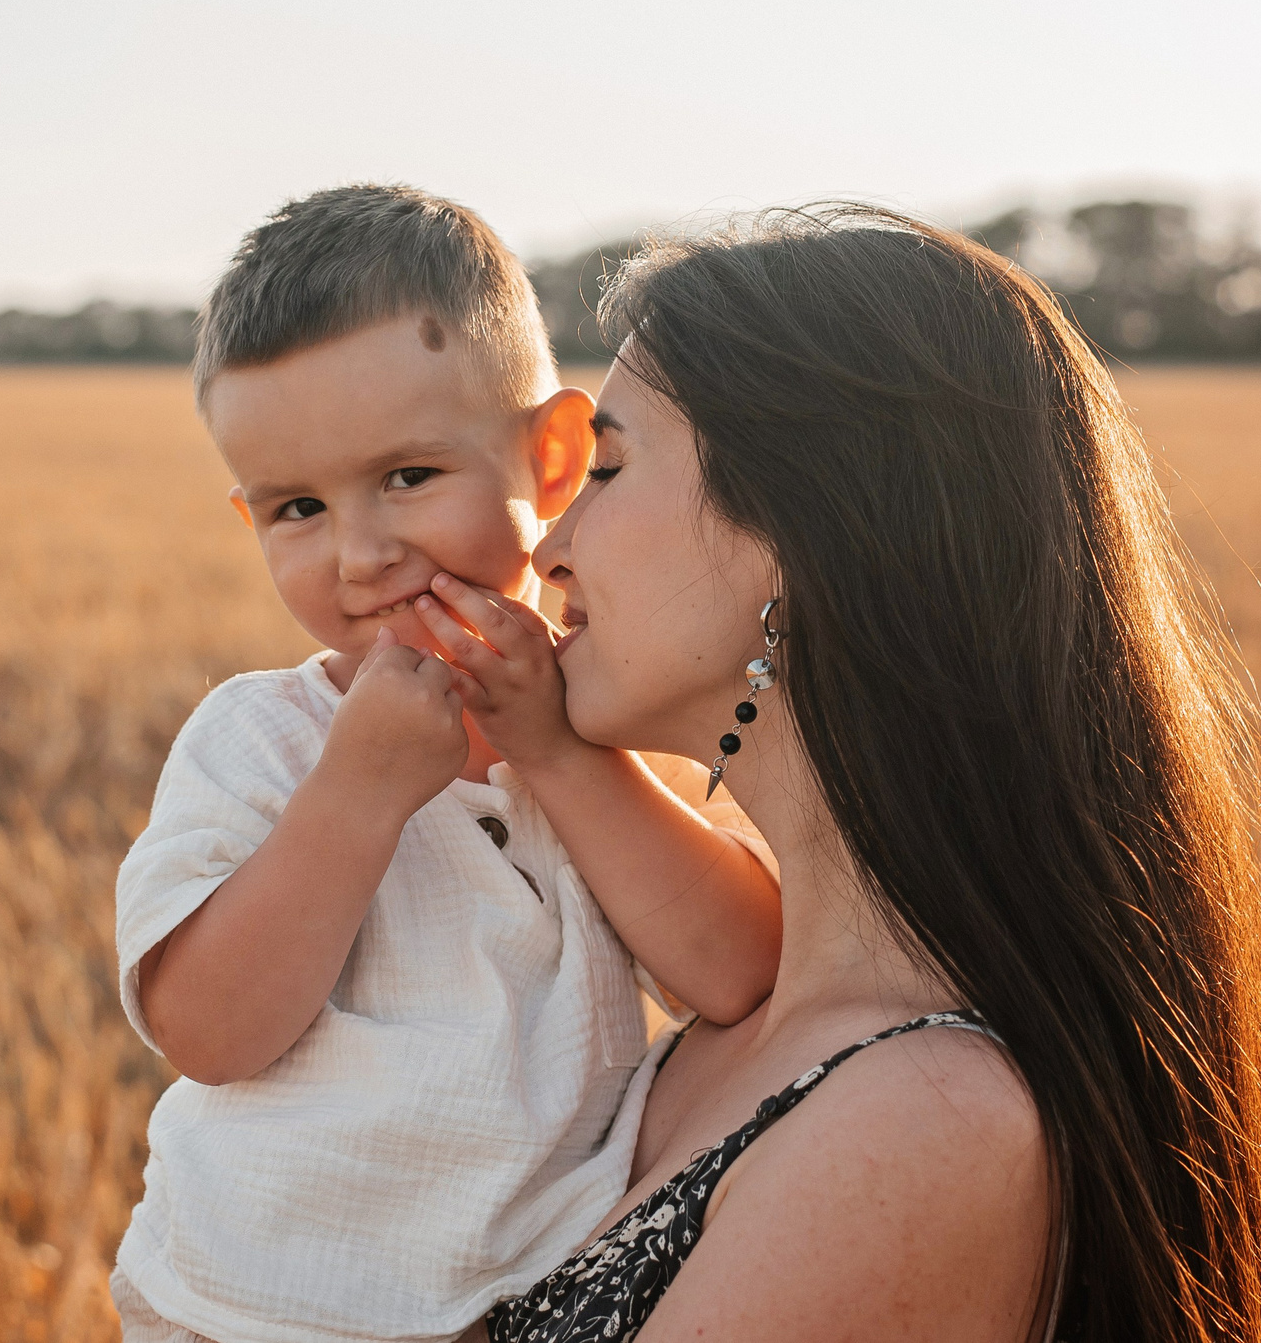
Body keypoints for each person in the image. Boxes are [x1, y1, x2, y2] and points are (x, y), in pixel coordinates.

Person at [475, 206, 1261, 1342]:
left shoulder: (919, 1120)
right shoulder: (737, 1016)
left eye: (608, 468)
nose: (546, 546)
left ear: (801, 527)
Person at [111, 185, 785, 1343]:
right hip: (259, 1304)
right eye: (299, 508)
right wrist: (356, 793)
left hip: (521, 1298)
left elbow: (735, 970)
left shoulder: (604, 729)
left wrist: (560, 758)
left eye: (407, 476)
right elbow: (209, 1034)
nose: (360, 552)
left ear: (554, 457)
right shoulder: (261, 739)